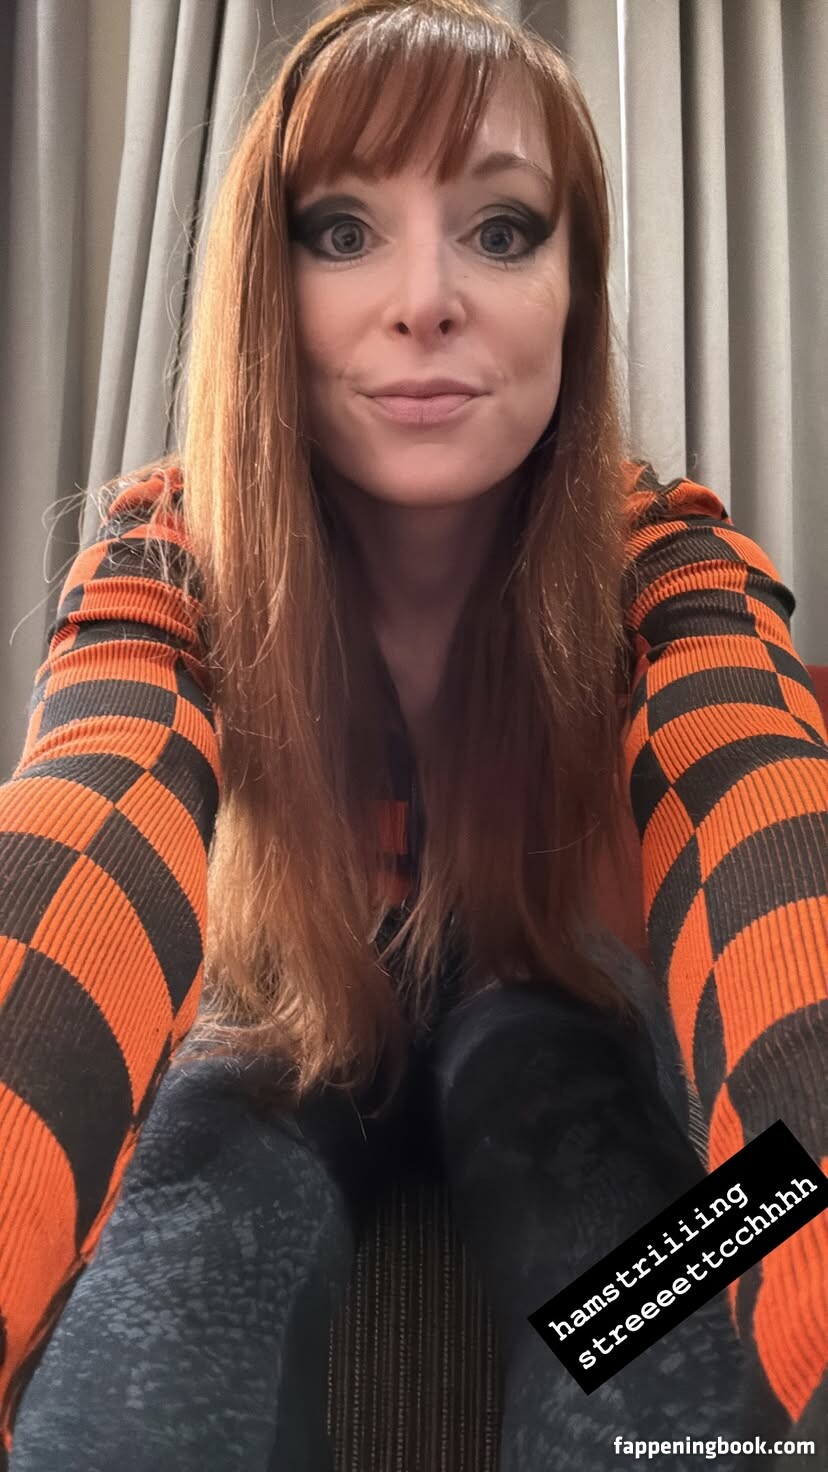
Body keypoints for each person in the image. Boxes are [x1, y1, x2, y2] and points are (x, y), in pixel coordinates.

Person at [1, 0, 825, 1467]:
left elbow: (767, 831)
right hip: (277, 1005)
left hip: (552, 996)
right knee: (178, 1233)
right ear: (262, 287)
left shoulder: (662, 559)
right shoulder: (168, 552)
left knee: (641, 1233)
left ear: (576, 293)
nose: (425, 300)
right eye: (341, 232)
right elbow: (86, 828)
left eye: (503, 232)